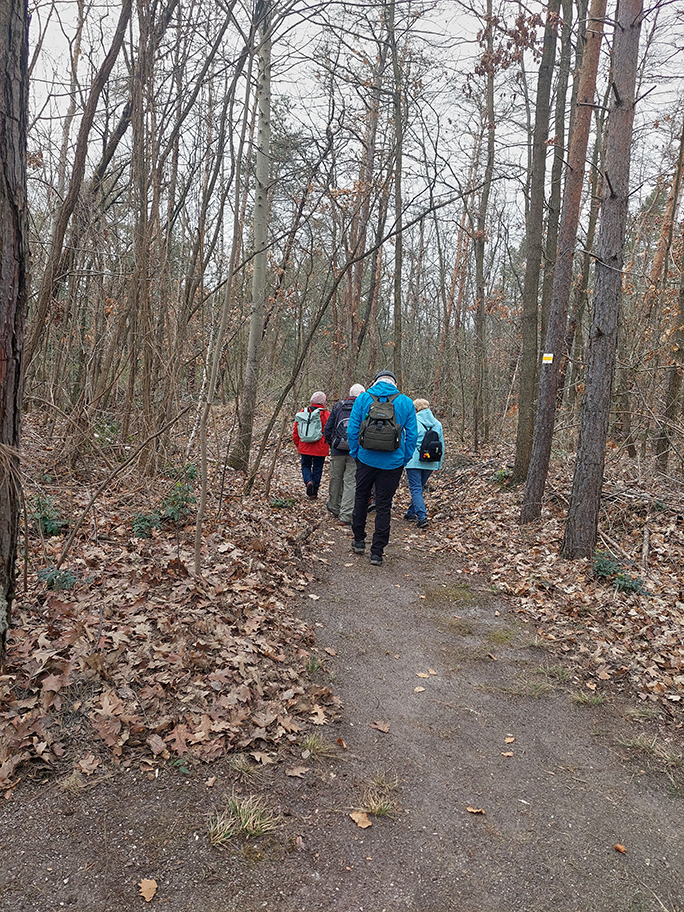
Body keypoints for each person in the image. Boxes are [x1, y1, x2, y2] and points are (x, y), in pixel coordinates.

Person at [347, 371, 418, 566]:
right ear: (395, 383)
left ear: (375, 382)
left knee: (361, 498)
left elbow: (352, 429)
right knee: (384, 505)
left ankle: (358, 540)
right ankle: (377, 552)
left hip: (365, 459)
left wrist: (355, 452)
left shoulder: (363, 398)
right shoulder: (405, 402)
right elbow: (412, 435)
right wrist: (404, 457)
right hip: (393, 463)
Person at [324, 383, 365, 525]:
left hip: (337, 449)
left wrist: (332, 443)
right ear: (362, 394)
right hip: (355, 451)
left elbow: (328, 428)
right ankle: (346, 515)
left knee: (335, 478)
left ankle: (334, 507)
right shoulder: (363, 407)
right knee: (350, 482)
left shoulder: (338, 406)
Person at [405, 398, 445, 528]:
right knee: (419, 487)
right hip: (431, 460)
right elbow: (441, 446)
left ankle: (422, 517)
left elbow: (407, 440)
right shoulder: (437, 424)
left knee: (416, 488)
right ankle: (411, 513)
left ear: (415, 409)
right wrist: (439, 464)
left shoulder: (413, 422)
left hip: (413, 460)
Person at [293, 391, 330, 498]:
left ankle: (308, 481)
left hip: (305, 445)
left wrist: (298, 444)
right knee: (318, 468)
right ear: (323, 402)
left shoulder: (303, 412)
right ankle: (314, 492)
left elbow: (296, 431)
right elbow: (330, 431)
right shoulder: (326, 414)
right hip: (320, 447)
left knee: (305, 465)